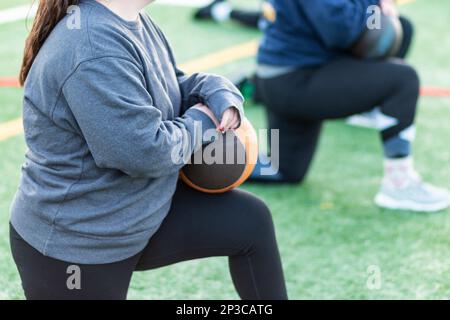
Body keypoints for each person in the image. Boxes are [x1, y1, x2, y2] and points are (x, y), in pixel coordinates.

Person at [9, 0, 287, 300]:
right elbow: (145, 152)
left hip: (138, 211)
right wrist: (202, 120)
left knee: (249, 221)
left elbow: (175, 87)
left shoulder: (131, 20)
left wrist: (219, 92)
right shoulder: (93, 45)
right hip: (79, 246)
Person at [249, 0, 450, 212]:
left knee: (283, 171)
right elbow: (339, 29)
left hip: (280, 76)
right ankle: (399, 184)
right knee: (403, 79)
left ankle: (211, 165)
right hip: (296, 80)